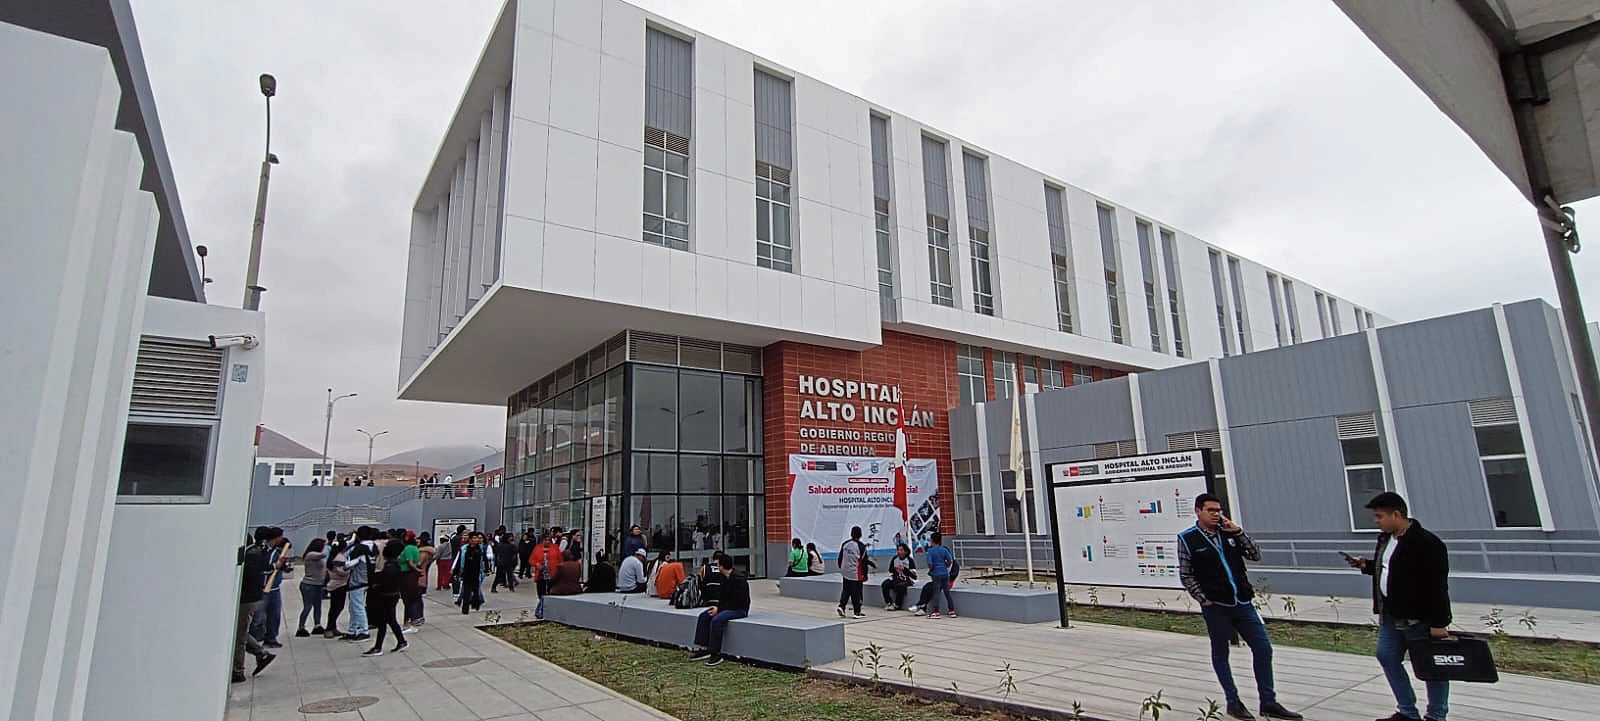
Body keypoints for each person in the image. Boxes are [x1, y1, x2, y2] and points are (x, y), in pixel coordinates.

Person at [1178, 493, 1301, 721]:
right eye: (1211, 510)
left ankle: (1268, 702)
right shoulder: (1188, 538)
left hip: (1242, 603)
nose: (1216, 514)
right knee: (1221, 653)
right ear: (1198, 511)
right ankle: (1233, 702)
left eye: (1218, 510)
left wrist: (1238, 532)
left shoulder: (1229, 533)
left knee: (1263, 648)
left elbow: (1255, 554)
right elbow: (1186, 574)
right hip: (1216, 606)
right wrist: (1203, 598)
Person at [1344, 492, 1452, 721]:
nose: (1376, 521)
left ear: (1396, 514)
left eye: (1380, 516)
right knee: (1386, 655)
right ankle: (1407, 711)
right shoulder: (1385, 539)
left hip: (1418, 617)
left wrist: (1439, 623)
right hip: (1390, 615)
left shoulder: (1427, 543)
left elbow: (1438, 586)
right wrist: (1365, 565)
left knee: (1431, 666)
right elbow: (1389, 568)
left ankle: (1436, 715)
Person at [688, 554, 750, 666]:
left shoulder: (739, 579)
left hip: (739, 609)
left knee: (717, 620)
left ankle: (715, 653)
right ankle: (704, 648)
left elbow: (739, 601)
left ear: (721, 566)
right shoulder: (722, 577)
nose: (716, 566)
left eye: (717, 564)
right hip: (726, 607)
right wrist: (717, 607)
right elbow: (722, 597)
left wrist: (720, 609)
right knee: (704, 616)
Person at [233, 530, 276, 683]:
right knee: (240, 632)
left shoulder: (251, 555)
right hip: (252, 597)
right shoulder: (256, 553)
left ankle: (238, 670)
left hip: (247, 599)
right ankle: (261, 654)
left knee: (239, 636)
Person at [364, 539, 408, 656]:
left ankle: (378, 647)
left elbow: (384, 584)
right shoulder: (395, 565)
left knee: (383, 621)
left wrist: (376, 586)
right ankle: (401, 641)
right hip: (392, 596)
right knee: (391, 620)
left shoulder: (389, 567)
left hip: (386, 597)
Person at [250, 527, 290, 647]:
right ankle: (252, 640)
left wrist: (284, 566)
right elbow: (263, 567)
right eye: (280, 536)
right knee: (258, 617)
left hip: (275, 589)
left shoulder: (276, 551)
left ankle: (271, 638)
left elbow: (282, 567)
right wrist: (275, 566)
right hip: (264, 589)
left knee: (274, 615)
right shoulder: (263, 551)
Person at [341, 527, 375, 641]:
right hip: (367, 580)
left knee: (357, 607)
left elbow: (347, 565)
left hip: (357, 581)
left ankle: (364, 631)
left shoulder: (359, 549)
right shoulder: (373, 547)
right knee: (354, 607)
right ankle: (352, 630)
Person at [836, 526, 874, 619]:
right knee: (856, 592)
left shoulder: (845, 544)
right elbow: (864, 562)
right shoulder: (861, 547)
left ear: (851, 534)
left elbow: (840, 557)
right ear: (860, 534)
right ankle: (857, 612)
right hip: (856, 573)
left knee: (846, 590)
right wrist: (865, 575)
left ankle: (841, 606)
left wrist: (841, 567)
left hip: (845, 571)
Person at [296, 538, 328, 637]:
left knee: (318, 606)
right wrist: (328, 545)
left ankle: (317, 625)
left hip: (318, 584)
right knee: (308, 606)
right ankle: (301, 627)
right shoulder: (310, 555)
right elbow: (324, 554)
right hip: (309, 584)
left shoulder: (317, 555)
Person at [918, 533, 956, 618]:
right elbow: (950, 560)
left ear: (932, 540)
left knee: (936, 593)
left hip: (936, 574)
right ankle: (952, 611)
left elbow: (930, 564)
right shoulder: (944, 549)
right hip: (945, 573)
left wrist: (931, 570)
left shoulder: (930, 551)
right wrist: (946, 566)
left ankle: (936, 612)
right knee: (947, 592)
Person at [455, 531, 489, 613]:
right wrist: (456, 571)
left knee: (476, 590)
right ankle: (465, 609)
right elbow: (459, 560)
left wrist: (486, 569)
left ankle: (476, 604)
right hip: (466, 572)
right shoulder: (464, 549)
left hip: (477, 572)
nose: (476, 539)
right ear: (470, 539)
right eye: (474, 538)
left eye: (476, 538)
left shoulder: (480, 548)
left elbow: (484, 559)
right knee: (466, 591)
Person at [401, 533, 427, 631]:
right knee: (413, 597)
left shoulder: (408, 548)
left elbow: (410, 562)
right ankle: (414, 618)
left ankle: (409, 620)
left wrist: (417, 569)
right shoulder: (415, 548)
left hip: (407, 575)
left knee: (408, 598)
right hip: (412, 575)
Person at [323, 540, 350, 638]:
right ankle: (329, 628)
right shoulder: (339, 558)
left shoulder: (333, 556)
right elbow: (341, 571)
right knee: (337, 607)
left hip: (335, 583)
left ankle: (333, 627)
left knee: (334, 607)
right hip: (339, 584)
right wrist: (350, 569)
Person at [881, 543, 918, 611]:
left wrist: (905, 569)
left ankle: (897, 604)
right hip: (897, 578)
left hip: (907, 579)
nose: (899, 552)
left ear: (905, 551)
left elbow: (914, 576)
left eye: (901, 550)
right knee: (885, 584)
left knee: (901, 586)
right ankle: (889, 602)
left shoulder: (909, 560)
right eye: (898, 550)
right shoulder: (895, 559)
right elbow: (890, 570)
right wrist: (896, 569)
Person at [529, 530, 563, 597]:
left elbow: (560, 560)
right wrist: (536, 564)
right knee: (541, 592)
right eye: (545, 540)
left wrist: (559, 570)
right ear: (542, 541)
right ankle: (541, 602)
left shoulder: (555, 547)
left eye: (548, 540)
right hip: (541, 574)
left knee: (551, 592)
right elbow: (531, 560)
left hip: (552, 574)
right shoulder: (537, 548)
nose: (547, 541)